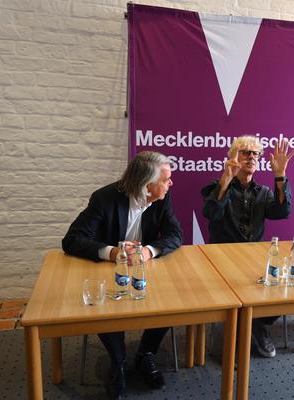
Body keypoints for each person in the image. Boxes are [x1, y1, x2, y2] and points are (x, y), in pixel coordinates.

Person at [62, 151, 182, 400]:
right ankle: (117, 362)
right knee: (104, 303)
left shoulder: (162, 198)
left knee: (172, 299)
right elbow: (72, 240)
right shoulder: (104, 198)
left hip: (145, 269)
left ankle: (145, 354)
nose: (171, 183)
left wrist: (149, 251)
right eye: (166, 179)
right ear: (147, 185)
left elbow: (175, 235)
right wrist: (113, 252)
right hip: (109, 270)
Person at [202, 135, 294, 358]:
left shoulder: (263, 192)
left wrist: (280, 175)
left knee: (283, 293)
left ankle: (257, 326)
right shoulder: (217, 187)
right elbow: (211, 213)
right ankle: (230, 337)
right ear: (232, 156)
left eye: (255, 154)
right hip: (221, 260)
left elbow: (283, 212)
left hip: (255, 260)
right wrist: (226, 177)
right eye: (245, 152)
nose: (251, 157)